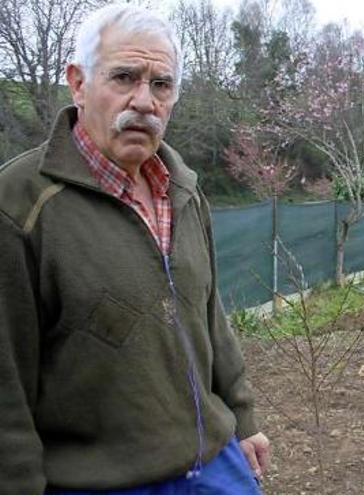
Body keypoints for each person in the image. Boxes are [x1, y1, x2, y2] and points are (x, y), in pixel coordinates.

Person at [0, 4, 269, 494]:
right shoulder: (19, 204)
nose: (144, 101)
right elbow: (5, 379)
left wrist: (244, 417)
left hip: (214, 464)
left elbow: (208, 315)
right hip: (101, 482)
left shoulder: (183, 189)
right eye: (125, 77)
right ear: (78, 83)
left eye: (161, 85)